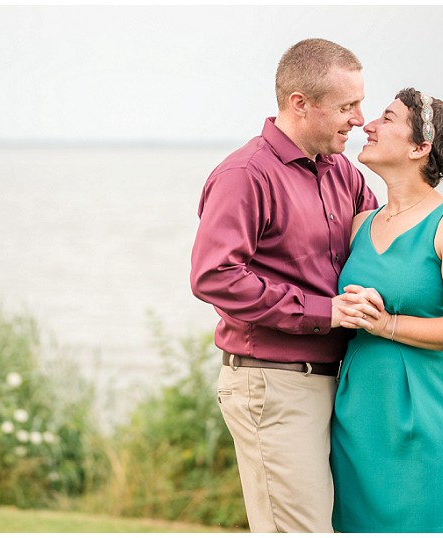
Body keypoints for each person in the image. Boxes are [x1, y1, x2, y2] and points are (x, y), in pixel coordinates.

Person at [189, 38, 378, 532]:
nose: (360, 118)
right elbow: (215, 276)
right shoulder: (244, 175)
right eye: (347, 106)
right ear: (300, 103)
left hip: (344, 381)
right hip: (274, 386)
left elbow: (389, 255)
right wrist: (325, 311)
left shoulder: (344, 173)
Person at [330, 88, 443, 532]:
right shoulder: (359, 224)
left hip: (438, 416)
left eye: (387, 119)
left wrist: (387, 324)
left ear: (419, 148)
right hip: (362, 420)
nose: (368, 124)